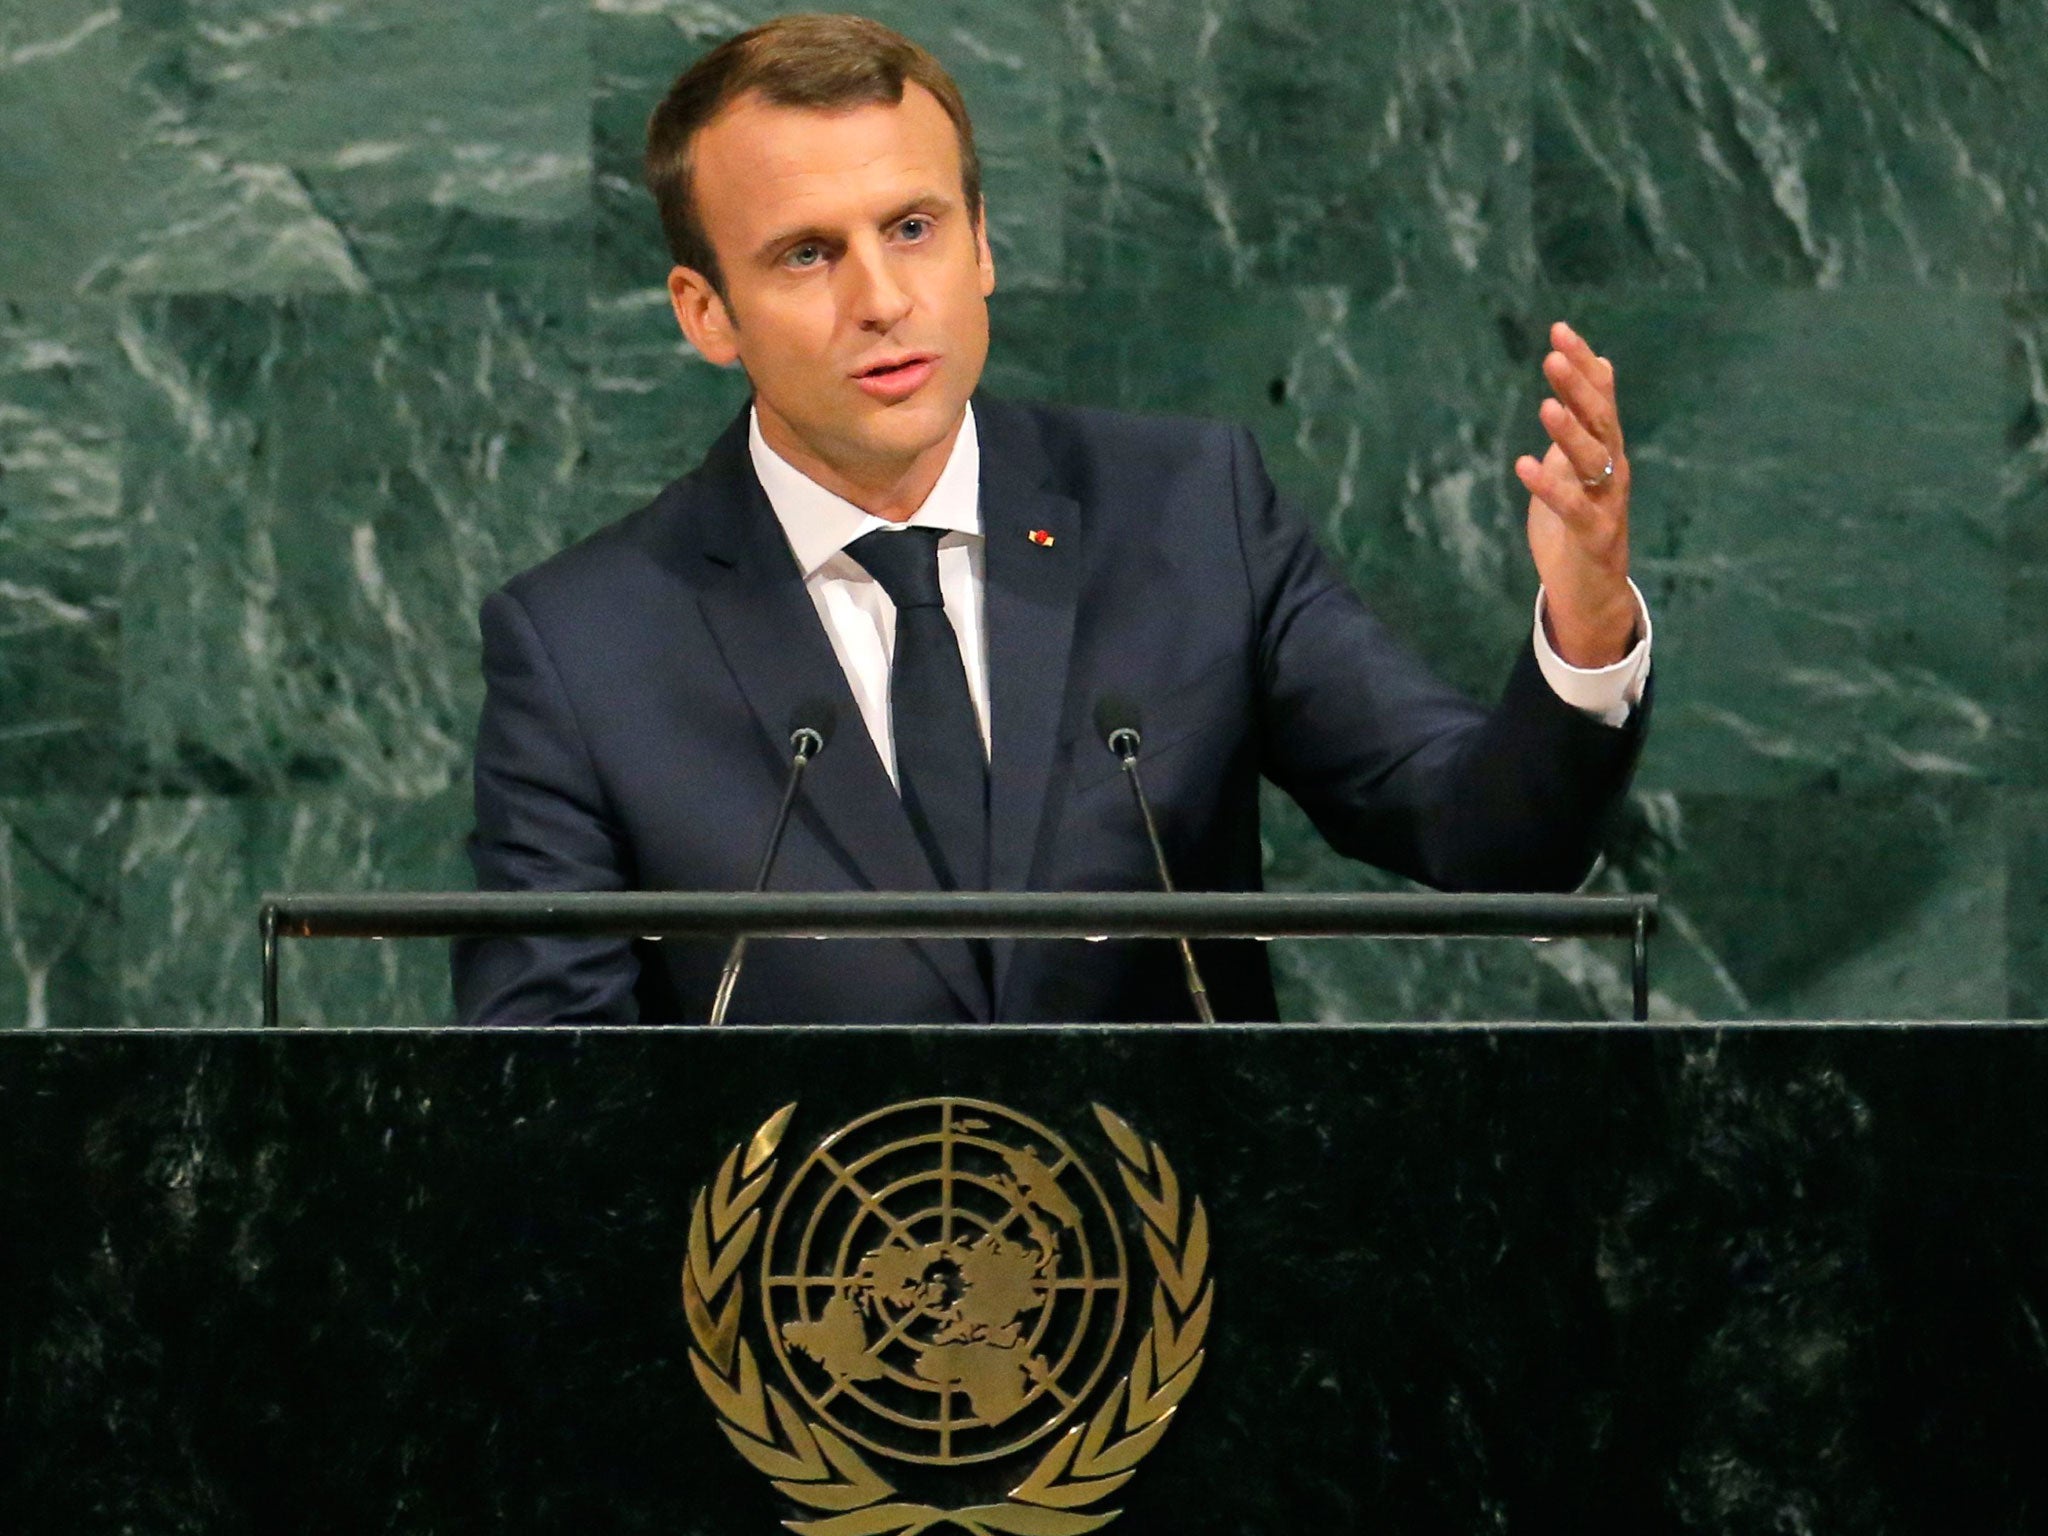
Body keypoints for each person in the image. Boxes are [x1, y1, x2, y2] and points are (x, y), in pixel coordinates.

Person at [452, 13, 1651, 1026]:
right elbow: (543, 1104)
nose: (881, 300)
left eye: (912, 228)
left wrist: (1584, 635)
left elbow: (1487, 840)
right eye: (808, 255)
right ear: (706, 313)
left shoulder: (1188, 514)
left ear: (981, 244)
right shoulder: (584, 648)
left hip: (1177, 1277)